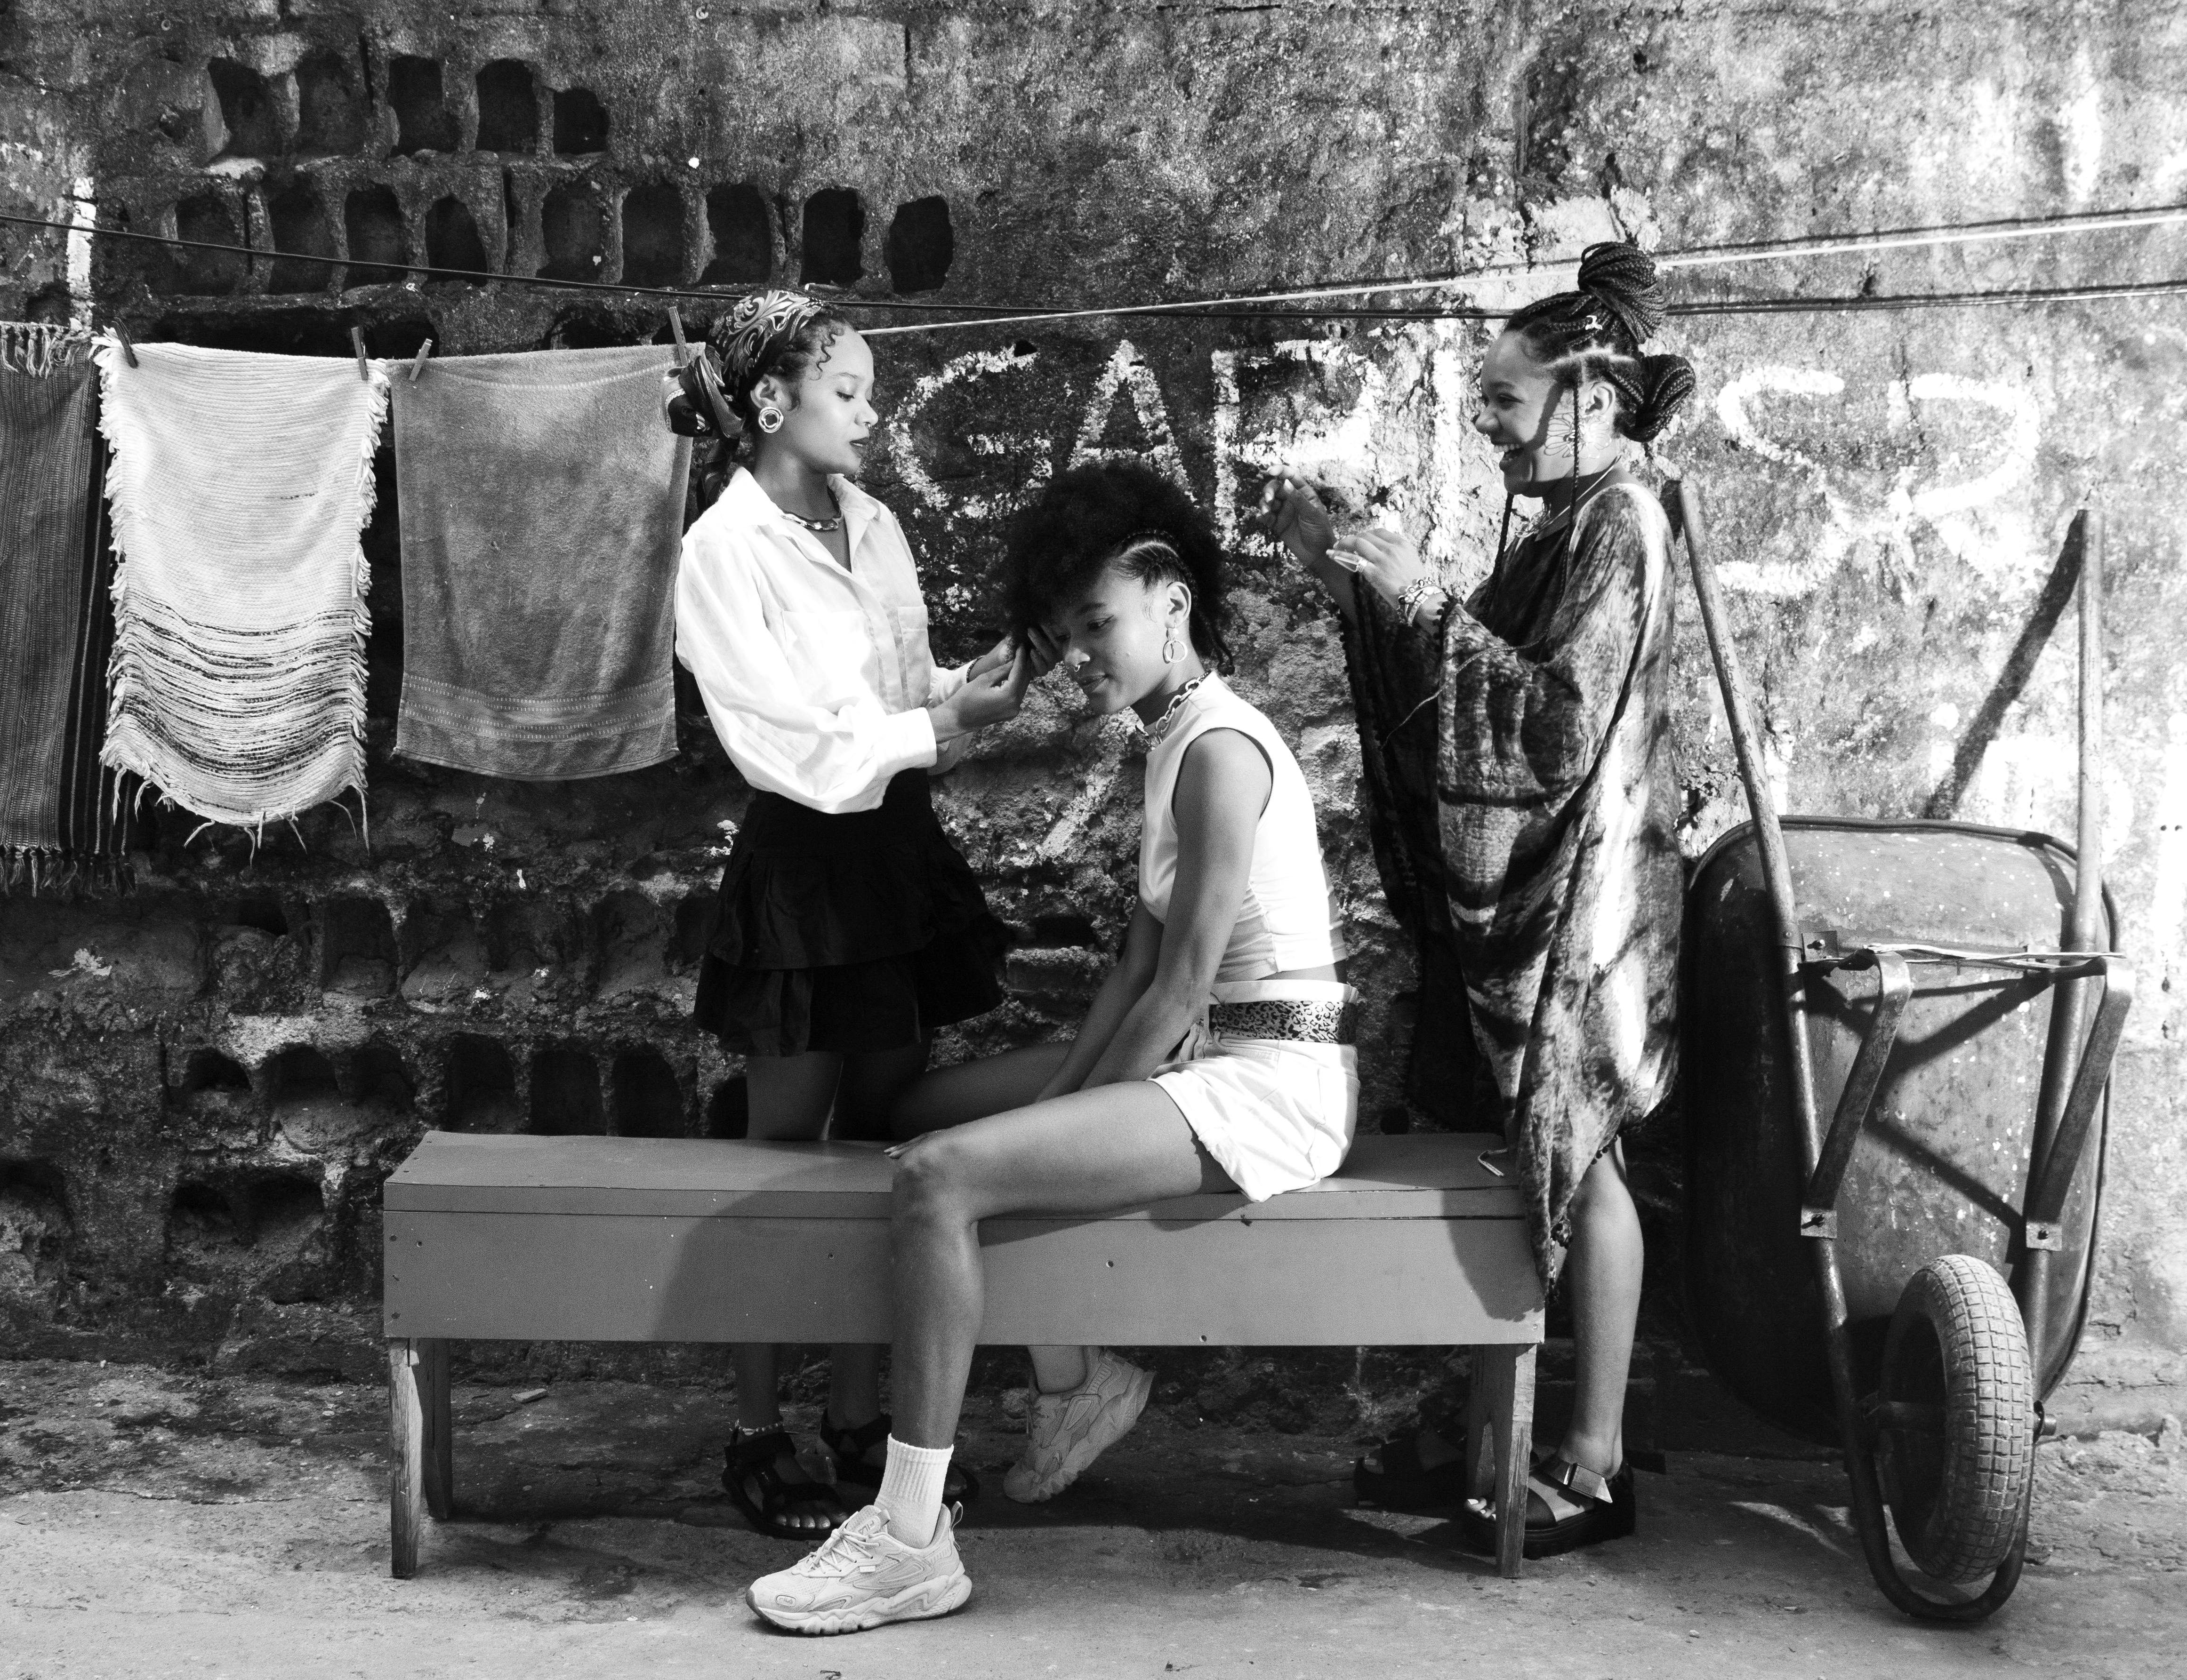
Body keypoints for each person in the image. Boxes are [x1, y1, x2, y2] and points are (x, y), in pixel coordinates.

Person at [744, 460, 1355, 1633]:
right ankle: (1079, 1379)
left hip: (1268, 1078)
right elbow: (1130, 970)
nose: (1086, 653)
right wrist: (1044, 1117)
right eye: (1071, 632)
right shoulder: (1165, 739)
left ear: (1170, 596)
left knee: (939, 1177)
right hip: (1198, 1054)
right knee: (923, 1116)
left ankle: (909, 1536)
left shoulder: (1224, 749)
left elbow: (1178, 990)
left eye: (1101, 623)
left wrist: (1033, 1136)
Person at [1271, 241, 1694, 1559]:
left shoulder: (1619, 527)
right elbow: (1472, 676)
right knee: (1536, 1156)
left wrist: (1410, 590)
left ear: (1587, 398)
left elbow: (1553, 731)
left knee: (1584, 1154)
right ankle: (1492, 1439)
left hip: (1586, 898)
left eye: (1506, 406)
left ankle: (1590, 1458)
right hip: (1560, 886)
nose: (1492, 434)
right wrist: (1362, 579)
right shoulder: (1576, 522)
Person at [665, 288, 1042, 1540]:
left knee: (888, 1153)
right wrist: (942, 727)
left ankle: (869, 1420)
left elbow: (885, 688)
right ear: (769, 405)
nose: (871, 414)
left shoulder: (866, 522)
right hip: (806, 871)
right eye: (848, 393)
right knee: (783, 1162)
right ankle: (759, 1425)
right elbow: (792, 745)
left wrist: (957, 686)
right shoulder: (723, 552)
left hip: (892, 859)